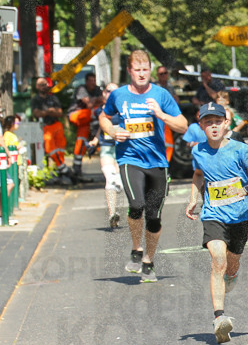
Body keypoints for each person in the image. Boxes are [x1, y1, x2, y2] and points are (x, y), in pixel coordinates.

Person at [99, 50, 188, 282]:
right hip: (130, 159)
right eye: (137, 70)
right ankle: (136, 249)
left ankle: (149, 260)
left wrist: (161, 114)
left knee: (154, 216)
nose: (141, 74)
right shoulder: (118, 95)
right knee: (136, 204)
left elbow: (183, 126)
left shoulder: (161, 94)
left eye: (145, 70)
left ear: (150, 70)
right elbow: (104, 117)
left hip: (157, 161)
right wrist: (112, 131)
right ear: (129, 71)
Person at [185, 101, 248, 344]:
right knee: (218, 259)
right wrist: (193, 199)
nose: (213, 126)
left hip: (240, 215)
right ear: (201, 125)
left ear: (226, 124)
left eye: (217, 122)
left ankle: (231, 275)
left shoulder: (240, 150)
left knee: (231, 265)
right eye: (208, 122)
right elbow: (199, 174)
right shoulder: (198, 151)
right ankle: (220, 318)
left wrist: (245, 190)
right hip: (213, 214)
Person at [92, 83, 124, 228]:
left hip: (121, 147)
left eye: (114, 91)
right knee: (109, 178)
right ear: (103, 93)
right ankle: (112, 214)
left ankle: (132, 212)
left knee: (119, 181)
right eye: (108, 91)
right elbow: (101, 125)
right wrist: (95, 140)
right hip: (106, 147)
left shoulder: (124, 108)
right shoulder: (101, 110)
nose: (110, 93)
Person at [30, 77, 71, 181]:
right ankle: (63, 169)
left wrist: (47, 111)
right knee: (50, 149)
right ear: (37, 87)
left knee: (60, 148)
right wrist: (50, 111)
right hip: (45, 126)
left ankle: (60, 171)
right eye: (42, 85)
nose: (44, 87)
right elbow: (36, 113)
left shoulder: (53, 98)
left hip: (56, 125)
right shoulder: (35, 99)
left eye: (45, 84)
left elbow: (59, 113)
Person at [70, 72, 103, 179]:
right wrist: (95, 101)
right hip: (79, 115)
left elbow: (103, 100)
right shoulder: (82, 89)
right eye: (91, 81)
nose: (93, 83)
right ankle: (77, 166)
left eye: (94, 80)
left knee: (81, 140)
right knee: (92, 112)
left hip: (87, 122)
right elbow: (89, 105)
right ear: (86, 81)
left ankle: (77, 166)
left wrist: (95, 101)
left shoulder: (97, 89)